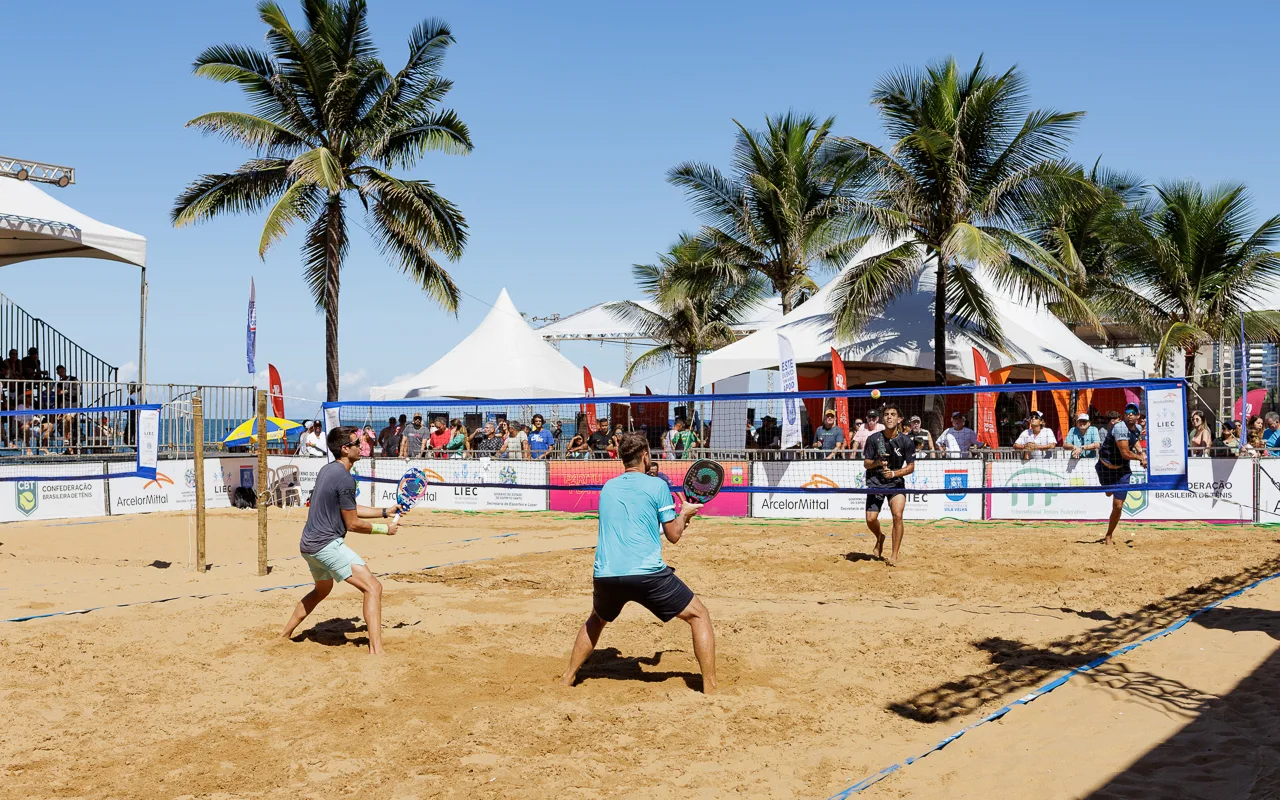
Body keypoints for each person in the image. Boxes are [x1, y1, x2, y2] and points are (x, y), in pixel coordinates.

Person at [559, 433, 715, 693]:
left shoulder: (608, 487)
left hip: (607, 573)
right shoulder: (657, 486)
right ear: (645, 457)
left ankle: (567, 677)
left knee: (597, 619)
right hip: (646, 574)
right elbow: (674, 536)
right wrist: (685, 514)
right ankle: (710, 688)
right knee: (700, 615)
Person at [279, 426, 401, 654]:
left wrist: (385, 511)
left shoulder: (328, 470)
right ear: (345, 449)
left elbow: (350, 508)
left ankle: (283, 635)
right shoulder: (345, 479)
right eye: (357, 443)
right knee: (373, 588)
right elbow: (352, 523)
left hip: (308, 545)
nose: (361, 446)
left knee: (321, 590)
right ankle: (377, 651)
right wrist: (384, 530)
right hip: (325, 545)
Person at [862, 404, 915, 566]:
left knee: (897, 515)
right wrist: (878, 462)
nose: (889, 417)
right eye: (886, 414)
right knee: (871, 520)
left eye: (893, 414)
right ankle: (880, 537)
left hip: (895, 483)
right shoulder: (873, 439)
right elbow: (866, 463)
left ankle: (894, 555)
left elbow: (911, 467)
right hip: (875, 482)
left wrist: (894, 473)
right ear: (882, 418)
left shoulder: (906, 441)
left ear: (899, 419)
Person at [1097, 402, 1147, 546]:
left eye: (1133, 412)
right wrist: (1140, 458)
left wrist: (1140, 452)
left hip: (1122, 469)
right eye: (1127, 412)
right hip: (1105, 468)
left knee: (1118, 505)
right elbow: (1125, 453)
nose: (1130, 414)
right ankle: (1110, 489)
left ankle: (1109, 535)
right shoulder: (1119, 427)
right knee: (1108, 493)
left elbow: (1134, 441)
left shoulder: (1137, 428)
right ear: (1124, 415)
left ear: (1138, 415)